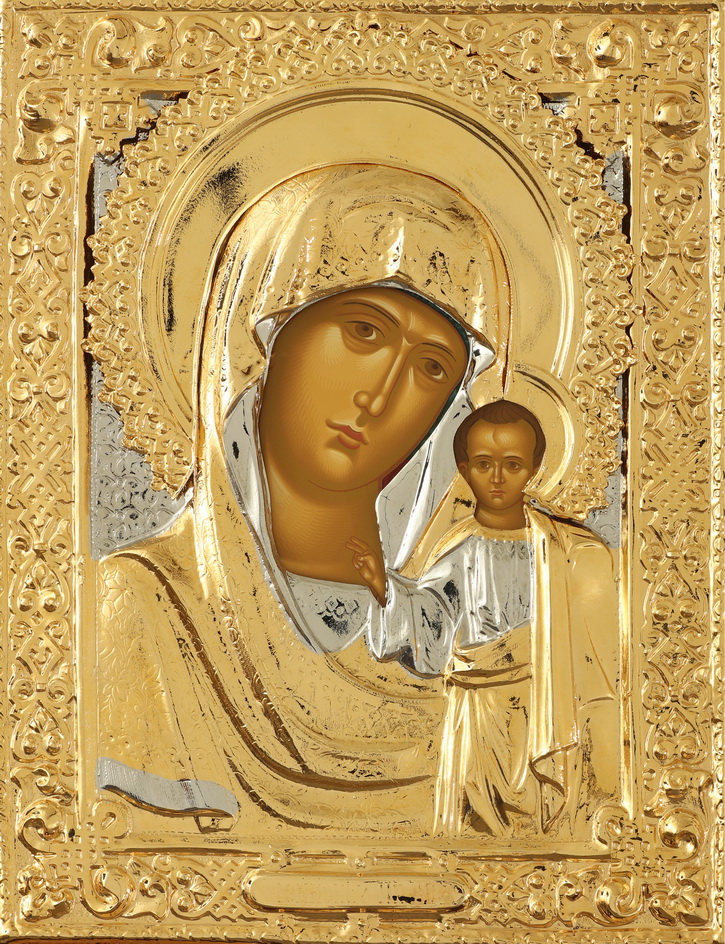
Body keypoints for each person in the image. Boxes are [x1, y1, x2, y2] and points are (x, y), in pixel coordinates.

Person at [94, 164, 512, 832]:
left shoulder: (461, 634)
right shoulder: (148, 604)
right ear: (264, 338)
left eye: (432, 367)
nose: (381, 395)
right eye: (363, 332)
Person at [349, 401, 621, 839]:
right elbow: (431, 621)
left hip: (543, 701)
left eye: (512, 465)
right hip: (478, 710)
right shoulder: (459, 547)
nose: (497, 478)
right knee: (477, 819)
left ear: (534, 468)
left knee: (541, 811)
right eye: (483, 464)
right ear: (464, 469)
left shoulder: (564, 548)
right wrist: (385, 588)